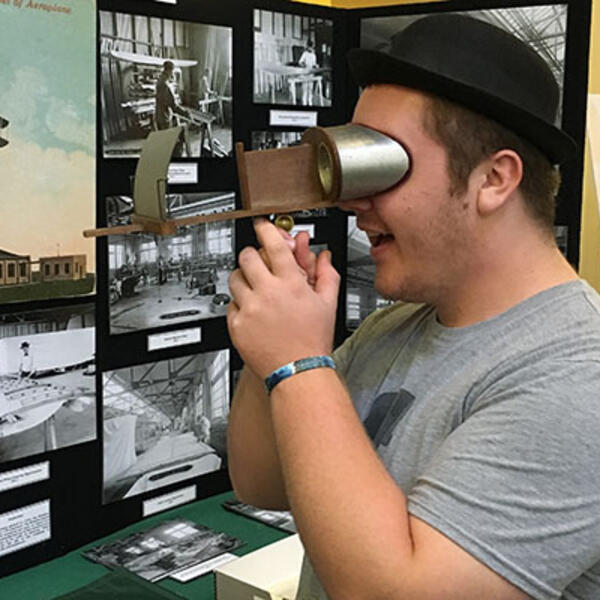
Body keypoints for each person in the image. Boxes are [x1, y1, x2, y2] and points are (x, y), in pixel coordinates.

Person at [226, 14, 600, 600]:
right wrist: (266, 354)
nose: (353, 203)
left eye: (382, 163)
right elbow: (262, 483)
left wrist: (297, 363)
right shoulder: (394, 328)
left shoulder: (578, 378)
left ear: (494, 179)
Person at [155, 60, 190, 156]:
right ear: (169, 70)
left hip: (159, 115)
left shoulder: (159, 81)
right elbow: (174, 106)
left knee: (164, 142)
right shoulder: (165, 85)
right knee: (168, 145)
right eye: (173, 71)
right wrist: (186, 113)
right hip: (164, 118)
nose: (172, 74)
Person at [297, 40, 318, 106]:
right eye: (310, 47)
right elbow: (299, 62)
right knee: (305, 89)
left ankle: (310, 102)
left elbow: (314, 64)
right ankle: (304, 102)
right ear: (308, 47)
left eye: (312, 48)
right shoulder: (305, 54)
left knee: (310, 88)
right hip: (305, 73)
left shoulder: (314, 55)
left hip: (311, 74)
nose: (311, 49)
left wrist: (316, 66)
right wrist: (304, 65)